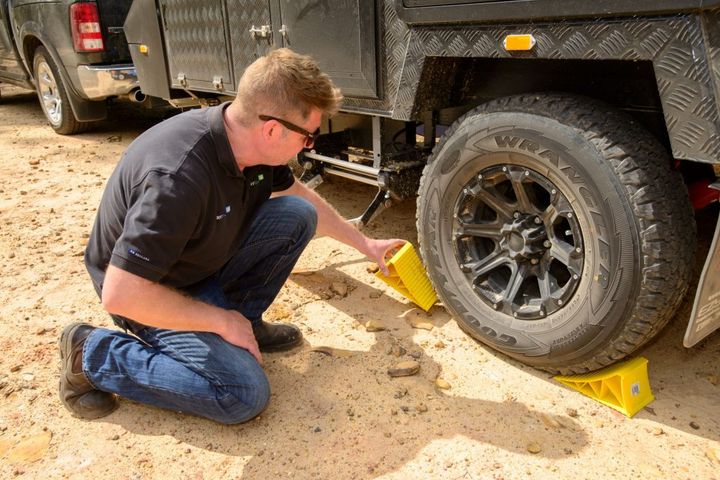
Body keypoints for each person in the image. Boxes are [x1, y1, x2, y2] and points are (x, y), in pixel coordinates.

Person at [59, 48, 405, 423]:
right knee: (242, 395)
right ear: (272, 129)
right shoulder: (177, 180)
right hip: (149, 290)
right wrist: (220, 322)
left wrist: (366, 245)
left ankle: (244, 320)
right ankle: (92, 353)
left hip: (195, 262)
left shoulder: (248, 144)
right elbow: (122, 293)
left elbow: (299, 195)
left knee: (298, 214)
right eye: (309, 136)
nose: (311, 145)